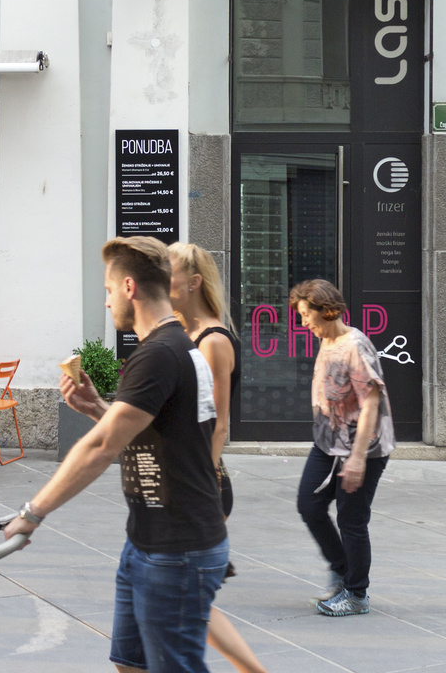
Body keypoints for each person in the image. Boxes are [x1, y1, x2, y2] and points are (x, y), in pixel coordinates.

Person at [4, 236, 227, 673]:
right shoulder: (174, 346)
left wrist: (33, 512)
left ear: (129, 288)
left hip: (177, 548)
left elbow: (102, 447)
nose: (107, 303)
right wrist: (96, 409)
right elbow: (156, 433)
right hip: (148, 538)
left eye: (108, 291)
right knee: (131, 664)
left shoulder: (161, 353)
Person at [170, 243, 265, 673]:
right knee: (189, 595)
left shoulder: (213, 341)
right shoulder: (182, 332)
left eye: (167, 275)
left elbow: (220, 425)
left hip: (205, 482)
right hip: (190, 478)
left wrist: (199, 488)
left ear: (192, 283)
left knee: (189, 596)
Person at [291, 278, 395, 617]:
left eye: (307, 315)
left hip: (361, 446)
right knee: (309, 504)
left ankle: (356, 593)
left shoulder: (356, 346)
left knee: (352, 520)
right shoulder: (327, 340)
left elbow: (371, 404)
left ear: (328, 310)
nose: (303, 322)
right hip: (327, 442)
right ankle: (341, 567)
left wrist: (358, 459)